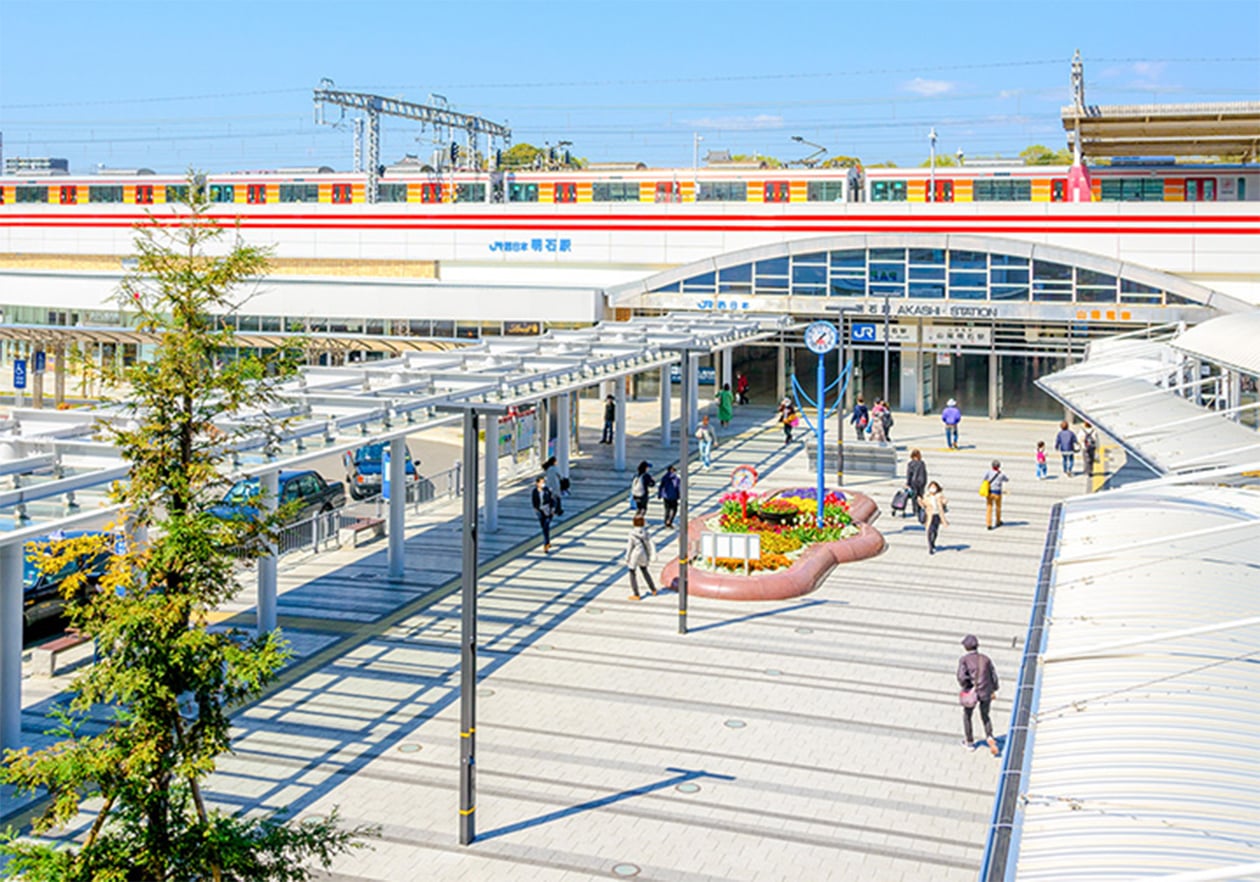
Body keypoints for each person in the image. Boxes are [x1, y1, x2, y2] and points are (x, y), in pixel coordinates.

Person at [957, 634, 1000, 755]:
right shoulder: (986, 659)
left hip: (972, 692)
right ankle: (990, 736)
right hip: (986, 692)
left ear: (966, 647)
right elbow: (993, 676)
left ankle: (970, 742)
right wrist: (994, 689)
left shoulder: (964, 660)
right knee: (985, 715)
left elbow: (961, 677)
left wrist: (967, 686)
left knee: (967, 716)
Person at [625, 514, 657, 600]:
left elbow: (630, 546)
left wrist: (627, 557)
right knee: (644, 570)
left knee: (632, 572)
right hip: (644, 554)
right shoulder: (646, 533)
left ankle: (636, 594)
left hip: (635, 554)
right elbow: (651, 543)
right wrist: (652, 555)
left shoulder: (632, 533)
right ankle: (653, 589)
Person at [920, 481, 949, 554]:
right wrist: (920, 501)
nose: (932, 489)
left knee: (935, 531)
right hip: (929, 516)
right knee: (929, 531)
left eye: (934, 487)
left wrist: (944, 501)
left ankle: (933, 542)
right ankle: (930, 547)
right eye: (931, 487)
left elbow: (945, 501)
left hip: (937, 515)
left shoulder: (939, 496)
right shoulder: (926, 496)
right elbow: (923, 504)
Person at [531, 475, 556, 553]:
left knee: (546, 526)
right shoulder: (534, 491)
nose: (543, 484)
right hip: (540, 511)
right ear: (537, 483)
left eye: (544, 482)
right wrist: (535, 508)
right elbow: (534, 500)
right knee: (544, 528)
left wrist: (553, 510)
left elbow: (553, 500)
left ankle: (545, 545)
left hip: (548, 510)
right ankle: (547, 541)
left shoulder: (547, 490)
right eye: (541, 482)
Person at [982, 459, 1008, 530]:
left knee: (989, 508)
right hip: (997, 493)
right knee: (998, 507)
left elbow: (984, 479)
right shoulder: (1001, 474)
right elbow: (1006, 479)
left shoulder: (988, 472)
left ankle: (989, 524)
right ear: (999, 466)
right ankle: (998, 521)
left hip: (989, 492)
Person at [905, 448, 928, 520]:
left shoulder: (910, 464)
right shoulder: (922, 463)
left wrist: (907, 483)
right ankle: (920, 508)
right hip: (921, 482)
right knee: (920, 495)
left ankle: (915, 510)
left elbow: (909, 474)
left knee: (914, 497)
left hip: (913, 482)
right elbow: (925, 473)